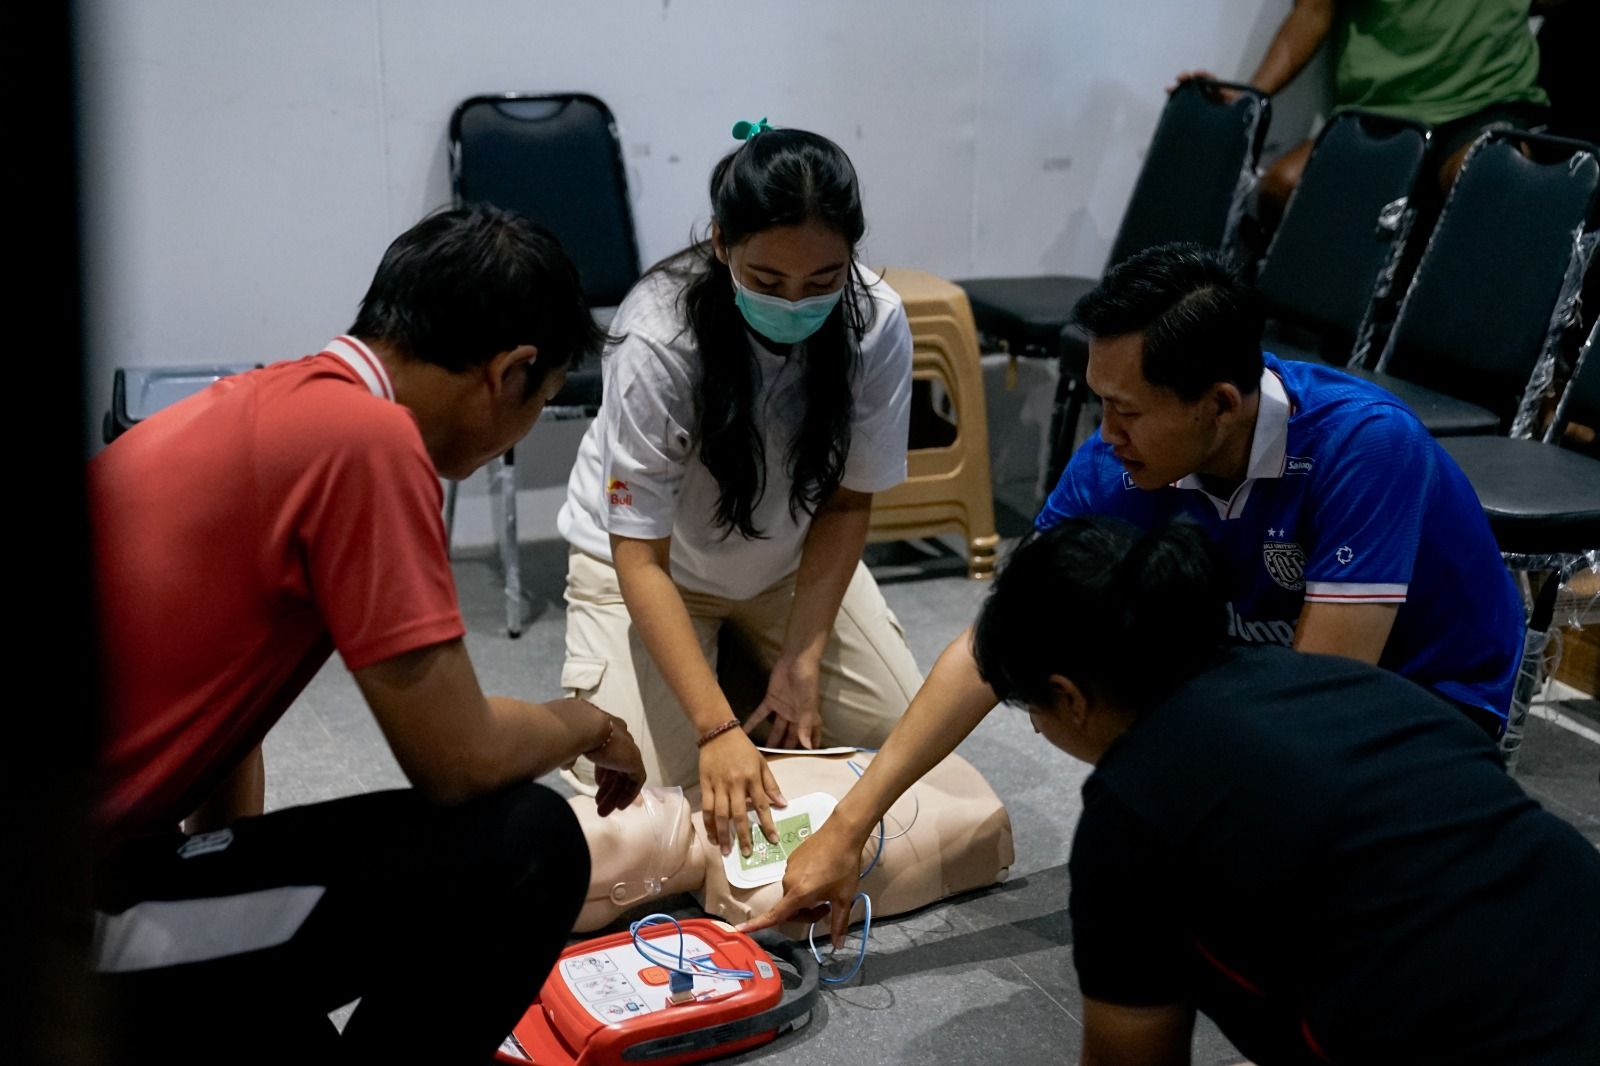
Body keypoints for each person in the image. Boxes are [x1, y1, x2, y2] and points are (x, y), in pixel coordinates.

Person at [743, 241, 1525, 948]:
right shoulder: (1119, 457)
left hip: (1419, 704)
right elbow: (997, 638)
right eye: (1100, 404)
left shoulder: (1364, 444)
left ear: (1220, 404)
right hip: (1258, 672)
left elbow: (1320, 703)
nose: (1107, 432)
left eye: (1127, 410)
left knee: (1293, 914)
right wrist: (850, 824)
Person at [89, 204, 646, 1065]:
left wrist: (227, 870)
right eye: (540, 402)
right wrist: (590, 723)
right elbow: (459, 758)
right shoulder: (369, 441)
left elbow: (226, 707)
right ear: (510, 373)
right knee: (527, 845)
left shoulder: (260, 406)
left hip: (119, 866)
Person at [978, 519, 1595, 1064]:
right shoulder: (1355, 685)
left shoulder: (1136, 805)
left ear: (1070, 698)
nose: (1037, 726)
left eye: (1033, 708)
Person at [555, 120, 920, 860]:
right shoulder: (658, 334)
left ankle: (756, 666)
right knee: (641, 798)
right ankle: (727, 684)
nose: (795, 304)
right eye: (768, 281)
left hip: (786, 568)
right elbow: (639, 557)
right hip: (652, 571)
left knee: (900, 736)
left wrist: (805, 657)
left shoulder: (875, 321)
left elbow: (848, 502)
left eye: (823, 281)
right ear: (722, 244)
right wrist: (716, 728)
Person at [1176, 0, 1551, 225]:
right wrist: (1250, 93)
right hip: (1380, 107)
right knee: (1283, 188)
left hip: (1485, 98)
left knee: (1486, 181)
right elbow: (1312, 12)